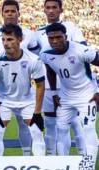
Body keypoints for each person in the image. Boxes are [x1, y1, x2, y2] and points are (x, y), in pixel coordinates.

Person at [0, 0, 38, 156]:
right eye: (6, 11)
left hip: (23, 89)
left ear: (18, 13)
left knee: (25, 126)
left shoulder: (29, 34)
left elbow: (35, 58)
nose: (10, 14)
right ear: (2, 13)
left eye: (13, 11)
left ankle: (27, 158)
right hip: (1, 90)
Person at [41, 23, 99, 161]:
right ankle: (63, 163)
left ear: (65, 36)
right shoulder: (45, 54)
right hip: (65, 97)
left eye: (58, 37)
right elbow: (50, 72)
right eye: (51, 38)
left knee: (88, 128)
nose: (55, 41)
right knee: (61, 130)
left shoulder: (82, 50)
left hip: (87, 96)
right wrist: (54, 93)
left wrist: (98, 90)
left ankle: (88, 164)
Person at [36, 0, 87, 155]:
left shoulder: (71, 28)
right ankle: (53, 160)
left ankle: (83, 159)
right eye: (48, 8)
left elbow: (83, 52)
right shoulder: (38, 32)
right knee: (51, 124)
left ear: (60, 9)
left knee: (76, 123)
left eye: (54, 7)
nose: (51, 11)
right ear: (43, 10)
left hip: (71, 86)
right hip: (50, 87)